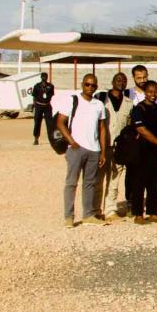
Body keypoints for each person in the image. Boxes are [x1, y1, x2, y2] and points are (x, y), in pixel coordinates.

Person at [54, 74, 108, 228]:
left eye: (93, 86)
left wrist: (102, 151)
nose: (90, 88)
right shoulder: (72, 100)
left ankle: (88, 214)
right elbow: (60, 122)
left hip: (94, 149)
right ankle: (69, 217)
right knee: (71, 183)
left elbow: (102, 129)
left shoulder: (98, 105)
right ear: (82, 84)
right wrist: (72, 141)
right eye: (87, 84)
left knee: (90, 183)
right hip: (76, 148)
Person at [128, 80, 157, 225]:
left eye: (155, 91)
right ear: (145, 92)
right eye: (150, 92)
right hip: (143, 150)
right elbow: (141, 130)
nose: (153, 95)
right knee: (139, 182)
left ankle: (152, 212)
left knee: (155, 181)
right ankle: (138, 214)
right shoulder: (139, 109)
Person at [95, 72, 133, 222]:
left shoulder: (129, 103)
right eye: (118, 80)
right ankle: (96, 211)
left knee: (114, 180)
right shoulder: (100, 99)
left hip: (119, 148)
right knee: (98, 179)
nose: (121, 82)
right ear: (112, 81)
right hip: (102, 146)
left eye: (124, 81)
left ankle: (110, 210)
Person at [30, 72, 55, 145]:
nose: (44, 78)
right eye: (43, 77)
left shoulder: (51, 86)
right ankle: (36, 138)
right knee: (37, 122)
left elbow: (51, 96)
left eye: (45, 76)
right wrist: (35, 106)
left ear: (47, 77)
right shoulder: (37, 86)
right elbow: (34, 97)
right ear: (41, 77)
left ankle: (51, 139)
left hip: (47, 106)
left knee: (49, 123)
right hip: (39, 106)